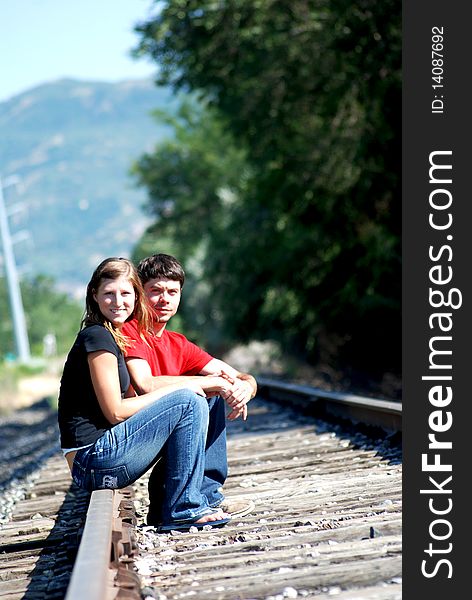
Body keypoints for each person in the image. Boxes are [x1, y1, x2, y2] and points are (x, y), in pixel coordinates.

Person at [57, 257, 231, 532]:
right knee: (189, 399)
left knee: (200, 397)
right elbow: (115, 412)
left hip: (102, 455)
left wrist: (204, 387)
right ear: (94, 295)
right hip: (91, 460)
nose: (118, 302)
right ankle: (183, 508)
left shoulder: (114, 336)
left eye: (126, 294)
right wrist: (186, 387)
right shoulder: (97, 337)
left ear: (136, 297)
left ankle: (189, 501)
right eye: (109, 294)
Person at [122, 253, 257, 522]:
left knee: (214, 393)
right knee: (209, 392)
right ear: (140, 293)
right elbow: (145, 384)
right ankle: (187, 504)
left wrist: (246, 388)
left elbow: (235, 375)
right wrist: (209, 383)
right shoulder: (130, 331)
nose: (165, 299)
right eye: (155, 291)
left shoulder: (178, 343)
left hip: (165, 431)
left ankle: (206, 496)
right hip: (131, 437)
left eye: (173, 291)